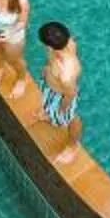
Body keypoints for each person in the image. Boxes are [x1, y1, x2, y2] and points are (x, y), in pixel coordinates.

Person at [36, 19, 83, 155]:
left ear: (49, 47)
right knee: (49, 109)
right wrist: (46, 70)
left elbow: (70, 94)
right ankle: (49, 115)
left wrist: (62, 109)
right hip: (51, 86)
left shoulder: (65, 73)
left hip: (61, 96)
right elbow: (51, 60)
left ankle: (72, 145)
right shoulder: (68, 43)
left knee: (71, 119)